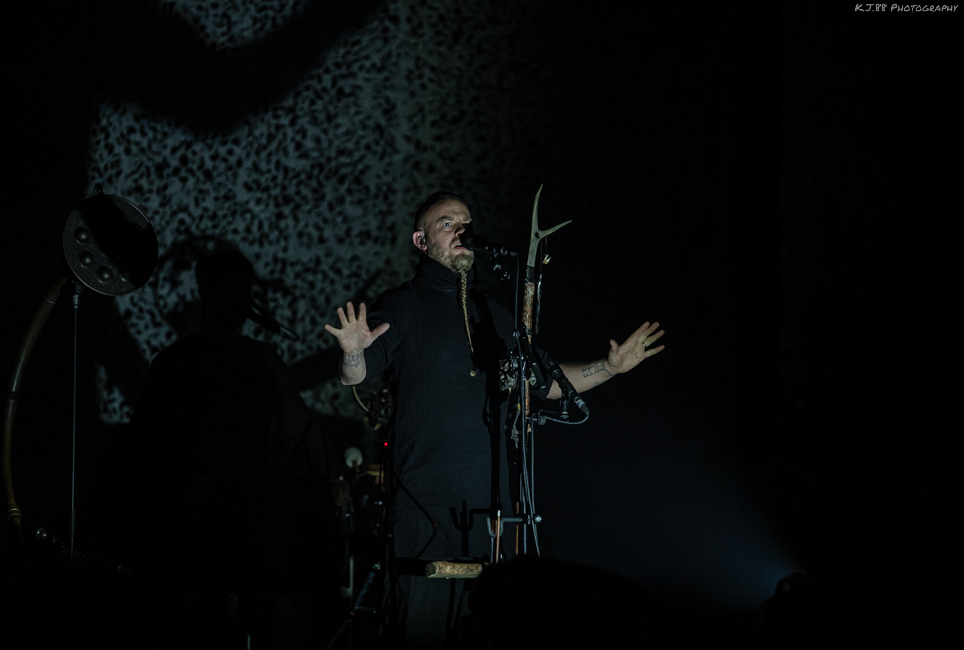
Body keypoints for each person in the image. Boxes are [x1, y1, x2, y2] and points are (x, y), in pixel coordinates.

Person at [323, 192, 665, 647]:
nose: (462, 230)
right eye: (447, 223)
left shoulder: (496, 316)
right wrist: (351, 353)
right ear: (421, 241)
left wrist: (611, 367)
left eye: (466, 222)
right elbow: (357, 375)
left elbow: (548, 384)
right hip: (425, 516)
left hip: (492, 519)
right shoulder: (404, 304)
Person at [107, 248, 347, 648]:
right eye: (228, 288)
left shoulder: (258, 358)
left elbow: (299, 427)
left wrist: (331, 475)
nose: (236, 297)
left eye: (240, 289)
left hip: (247, 522)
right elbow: (147, 444)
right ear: (206, 292)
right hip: (188, 527)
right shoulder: (175, 363)